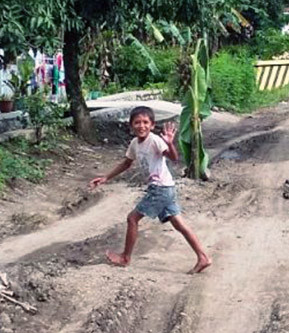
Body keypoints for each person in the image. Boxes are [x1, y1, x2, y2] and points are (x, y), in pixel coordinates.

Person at [89, 106, 212, 273]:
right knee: (178, 223)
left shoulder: (155, 140)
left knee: (132, 218)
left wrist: (169, 143)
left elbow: (174, 158)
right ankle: (203, 257)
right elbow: (126, 163)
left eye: (146, 122)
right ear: (131, 126)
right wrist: (106, 177)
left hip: (160, 188)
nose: (142, 126)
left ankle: (125, 257)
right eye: (137, 122)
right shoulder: (134, 143)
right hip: (166, 187)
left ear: (152, 125)